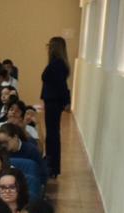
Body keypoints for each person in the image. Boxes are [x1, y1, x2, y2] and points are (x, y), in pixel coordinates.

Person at [40, 37, 70, 179]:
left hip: (53, 102)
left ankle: (52, 166)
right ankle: (51, 163)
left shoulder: (57, 64)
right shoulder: (58, 63)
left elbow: (61, 86)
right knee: (52, 134)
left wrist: (66, 102)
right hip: (52, 101)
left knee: (52, 134)